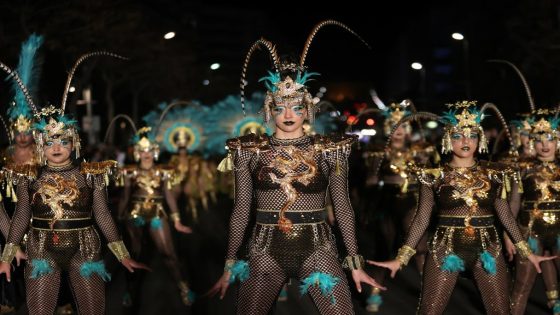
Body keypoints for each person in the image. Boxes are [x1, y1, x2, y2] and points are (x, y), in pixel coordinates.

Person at [209, 20, 382, 314]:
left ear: (308, 109)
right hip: (264, 250)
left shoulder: (329, 149)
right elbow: (241, 209)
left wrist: (354, 260)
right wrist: (230, 262)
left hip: (318, 249)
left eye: (296, 107)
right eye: (280, 107)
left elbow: (342, 206)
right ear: (269, 109)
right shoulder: (249, 150)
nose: (288, 114)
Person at [370, 101, 554, 315]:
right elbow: (421, 218)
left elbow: (504, 213)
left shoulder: (493, 173)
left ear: (480, 138)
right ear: (448, 138)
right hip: (444, 247)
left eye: (472, 135)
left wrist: (526, 251)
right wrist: (401, 258)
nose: (466, 141)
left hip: (488, 248)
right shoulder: (433, 175)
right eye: (458, 136)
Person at [117, 126, 194, 306]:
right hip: (135, 214)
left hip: (157, 213)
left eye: (150, 150)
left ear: (155, 151)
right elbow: (125, 197)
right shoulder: (130, 171)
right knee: (133, 255)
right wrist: (119, 218)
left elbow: (168, 196)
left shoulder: (163, 171)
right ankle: (130, 290)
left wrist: (176, 220)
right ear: (137, 152)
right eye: (143, 150)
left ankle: (183, 286)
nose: (146, 154)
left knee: (169, 253)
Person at [507, 109, 560, 314]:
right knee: (522, 285)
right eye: (539, 140)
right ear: (531, 142)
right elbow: (513, 202)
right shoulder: (522, 169)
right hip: (529, 231)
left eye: (550, 139)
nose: (545, 145)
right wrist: (509, 235)